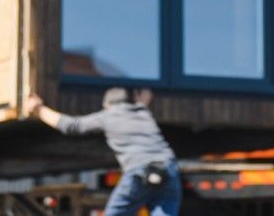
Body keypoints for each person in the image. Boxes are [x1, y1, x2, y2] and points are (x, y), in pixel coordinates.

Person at [25, 88, 181, 216]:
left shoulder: (108, 115)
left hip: (139, 170)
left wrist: (39, 109)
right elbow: (142, 103)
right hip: (168, 169)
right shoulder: (142, 112)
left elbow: (72, 126)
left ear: (107, 105)